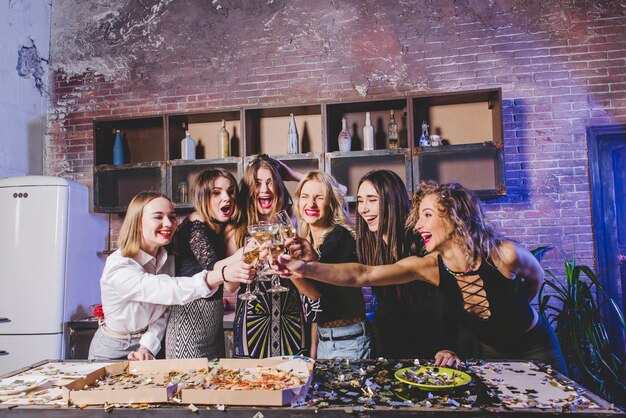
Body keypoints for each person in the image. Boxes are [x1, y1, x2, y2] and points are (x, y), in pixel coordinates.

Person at [277, 181, 568, 373]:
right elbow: (363, 274)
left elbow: (535, 279)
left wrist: (511, 308)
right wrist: (302, 268)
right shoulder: (430, 265)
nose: (418, 225)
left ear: (454, 216)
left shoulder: (505, 254)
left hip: (534, 345)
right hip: (488, 349)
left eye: (427, 215)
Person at [88, 192, 254, 361]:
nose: (168, 224)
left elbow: (164, 311)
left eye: (172, 217)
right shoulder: (120, 265)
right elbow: (167, 290)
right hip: (112, 349)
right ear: (137, 222)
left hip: (150, 347)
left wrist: (146, 347)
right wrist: (222, 274)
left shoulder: (168, 259)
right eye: (158, 217)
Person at [352, 170, 450, 360]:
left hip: (431, 344)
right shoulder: (367, 242)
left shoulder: (422, 239)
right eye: (360, 200)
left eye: (372, 200)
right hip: (389, 342)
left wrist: (448, 346)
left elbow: (447, 300)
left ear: (392, 200)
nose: (363, 209)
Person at [166, 169, 250, 359]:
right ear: (203, 196)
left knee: (212, 385)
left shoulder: (219, 227)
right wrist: (245, 252)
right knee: (189, 385)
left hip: (213, 321)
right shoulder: (196, 222)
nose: (226, 198)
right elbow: (213, 267)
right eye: (217, 192)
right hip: (189, 320)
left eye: (230, 191)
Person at [290, 171, 371, 359]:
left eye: (319, 197)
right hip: (326, 340)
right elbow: (316, 307)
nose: (310, 204)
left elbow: (315, 291)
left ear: (331, 202)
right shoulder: (308, 240)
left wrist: (286, 266)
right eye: (305, 197)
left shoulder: (339, 237)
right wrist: (313, 352)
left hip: (349, 341)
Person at [233, 154, 308, 358]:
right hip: (252, 320)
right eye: (257, 183)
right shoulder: (239, 226)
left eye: (270, 182)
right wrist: (249, 257)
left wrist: (291, 174)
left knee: (294, 382)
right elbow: (229, 286)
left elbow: (338, 191)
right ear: (249, 189)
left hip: (291, 316)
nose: (264, 190)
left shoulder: (294, 220)